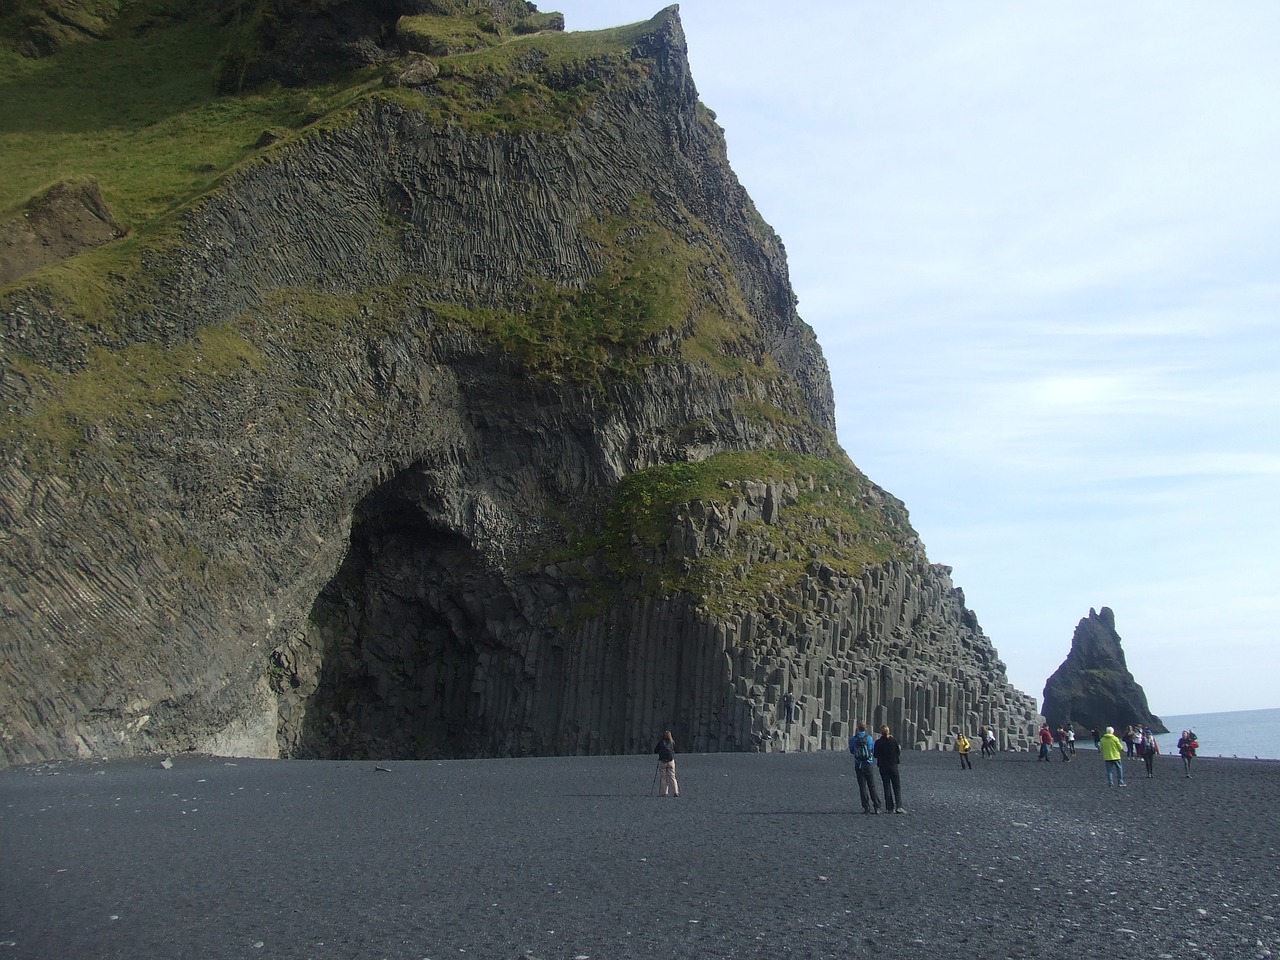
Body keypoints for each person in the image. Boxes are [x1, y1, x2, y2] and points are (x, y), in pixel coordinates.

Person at [848, 721, 882, 814]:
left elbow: (852, 751)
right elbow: (872, 750)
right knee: (872, 785)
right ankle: (877, 806)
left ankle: (866, 807)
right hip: (868, 763)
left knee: (862, 786)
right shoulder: (870, 738)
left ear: (857, 728)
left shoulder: (853, 739)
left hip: (858, 764)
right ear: (865, 728)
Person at [873, 724, 905, 813]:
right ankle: (899, 806)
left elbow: (875, 755)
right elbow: (898, 752)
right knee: (896, 787)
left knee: (886, 787)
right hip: (893, 766)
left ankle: (889, 807)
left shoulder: (878, 742)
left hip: (883, 767)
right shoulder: (893, 741)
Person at [654, 730, 679, 797]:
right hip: (671, 761)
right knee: (672, 776)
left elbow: (655, 750)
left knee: (663, 777)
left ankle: (664, 793)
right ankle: (676, 792)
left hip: (662, 761)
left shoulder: (661, 742)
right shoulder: (672, 742)